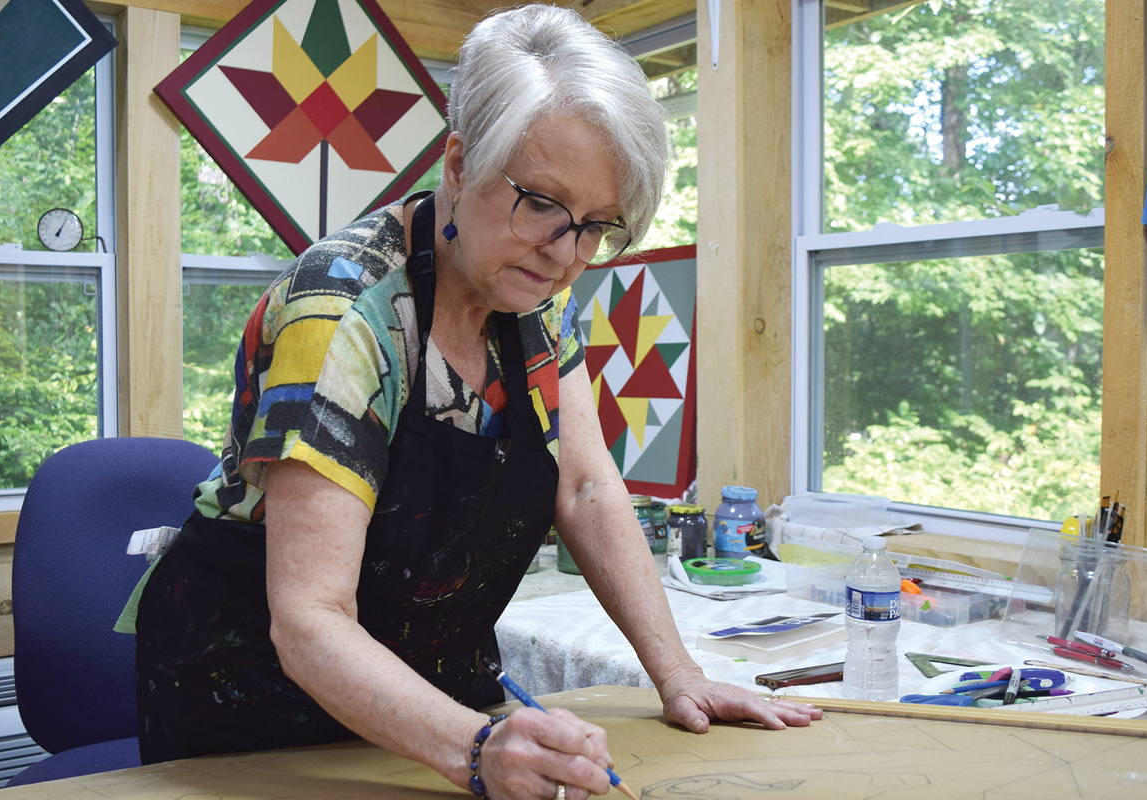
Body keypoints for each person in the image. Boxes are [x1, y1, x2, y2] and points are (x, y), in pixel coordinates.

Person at [132, 5, 822, 799]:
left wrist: (678, 674)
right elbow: (310, 619)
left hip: (432, 693)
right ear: (460, 164)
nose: (565, 254)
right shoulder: (345, 317)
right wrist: (476, 748)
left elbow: (587, 486)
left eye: (596, 226)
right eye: (541, 204)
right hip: (254, 701)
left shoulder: (532, 293)